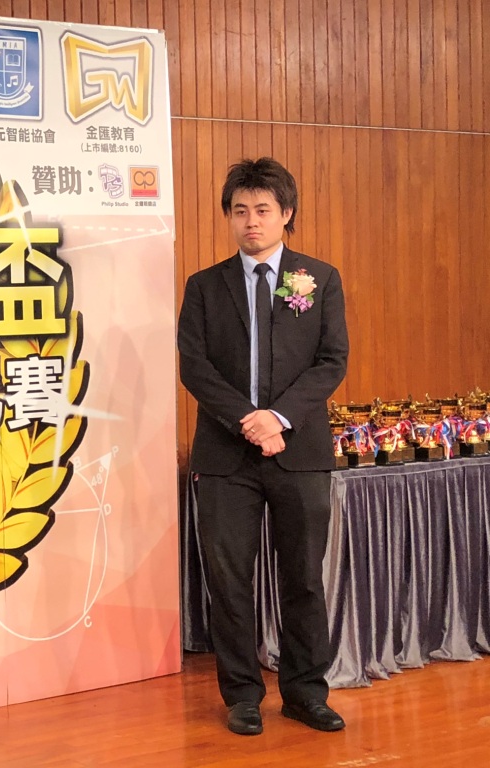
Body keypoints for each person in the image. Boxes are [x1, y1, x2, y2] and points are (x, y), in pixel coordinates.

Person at [177, 157, 349, 736]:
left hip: (299, 452)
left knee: (303, 578)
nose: (251, 221)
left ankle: (305, 693)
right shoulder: (204, 286)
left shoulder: (318, 279)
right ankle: (242, 696)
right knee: (229, 582)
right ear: (229, 216)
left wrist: (277, 418)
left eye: (263, 210)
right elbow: (195, 367)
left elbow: (332, 361)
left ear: (286, 214)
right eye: (240, 211)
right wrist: (247, 421)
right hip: (225, 456)